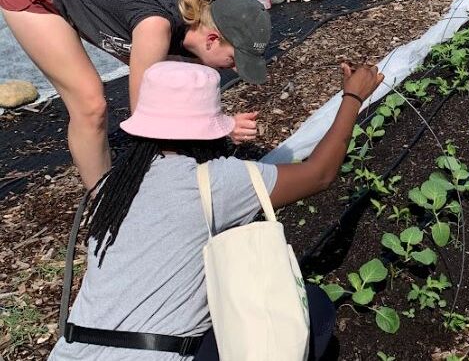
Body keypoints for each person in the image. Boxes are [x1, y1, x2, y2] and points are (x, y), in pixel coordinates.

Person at [49, 59, 384, 360]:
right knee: (313, 307)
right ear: (209, 130)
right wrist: (353, 97)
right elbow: (319, 173)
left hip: (70, 352)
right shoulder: (217, 180)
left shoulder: (116, 183)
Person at [0, 0, 271, 190]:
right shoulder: (156, 25)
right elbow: (144, 116)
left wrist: (220, 126)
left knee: (181, 75)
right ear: (212, 39)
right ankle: (103, 201)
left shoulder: (200, 12)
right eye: (234, 60)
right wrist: (220, 127)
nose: (235, 69)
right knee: (90, 105)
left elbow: (179, 95)